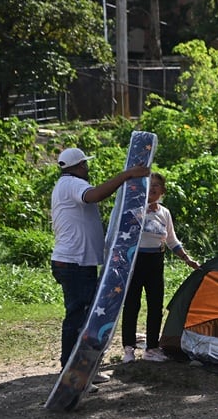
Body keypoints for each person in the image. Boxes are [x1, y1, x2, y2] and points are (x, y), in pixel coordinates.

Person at [50, 147, 151, 379]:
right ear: (79, 166)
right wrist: (126, 175)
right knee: (79, 317)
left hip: (75, 261)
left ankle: (80, 366)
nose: (87, 168)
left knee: (82, 316)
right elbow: (94, 195)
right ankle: (71, 368)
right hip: (75, 262)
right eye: (85, 164)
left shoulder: (65, 184)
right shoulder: (72, 183)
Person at [122, 173, 199, 363]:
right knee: (132, 304)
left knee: (155, 306)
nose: (152, 189)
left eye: (156, 186)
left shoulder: (164, 213)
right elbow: (124, 234)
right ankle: (128, 348)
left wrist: (187, 259)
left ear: (162, 191)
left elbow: (172, 240)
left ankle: (152, 348)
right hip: (135, 261)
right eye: (149, 185)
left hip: (156, 261)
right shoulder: (134, 208)